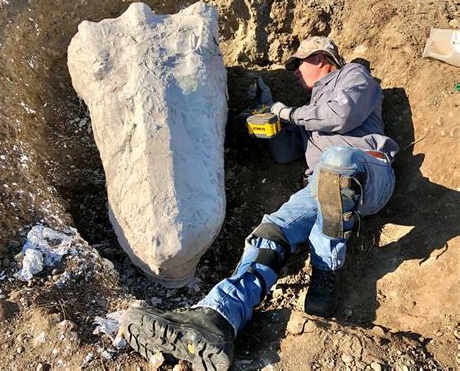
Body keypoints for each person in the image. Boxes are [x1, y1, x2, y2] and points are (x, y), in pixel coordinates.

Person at [120, 36, 399, 370]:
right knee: (272, 231)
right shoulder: (311, 112)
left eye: (300, 63)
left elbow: (340, 116)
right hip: (320, 184)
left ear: (323, 58)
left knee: (337, 160)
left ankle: (327, 271)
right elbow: (287, 156)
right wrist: (272, 124)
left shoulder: (354, 77)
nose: (296, 72)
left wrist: (287, 111)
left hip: (370, 171)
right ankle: (217, 317)